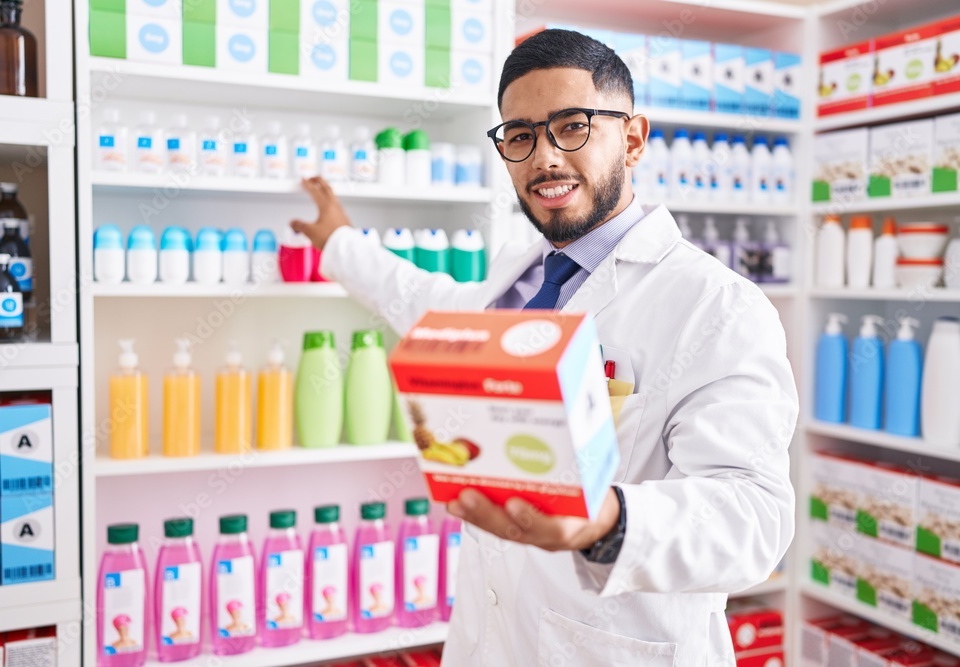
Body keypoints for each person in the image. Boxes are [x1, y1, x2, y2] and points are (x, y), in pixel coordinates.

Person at [291, 28, 797, 667]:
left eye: (573, 126)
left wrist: (607, 521)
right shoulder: (518, 274)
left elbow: (754, 516)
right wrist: (341, 245)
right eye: (521, 135)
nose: (545, 158)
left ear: (633, 139)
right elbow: (426, 301)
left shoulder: (716, 305)